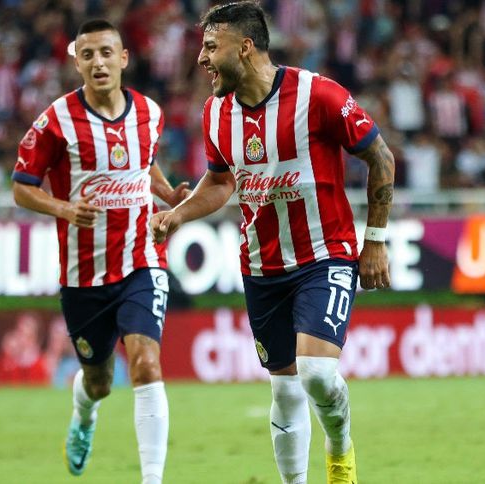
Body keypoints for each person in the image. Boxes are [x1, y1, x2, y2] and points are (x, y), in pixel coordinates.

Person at [151, 3, 395, 483]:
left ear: (245, 47)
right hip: (262, 267)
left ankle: (340, 450)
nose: (201, 58)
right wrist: (178, 214)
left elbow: (381, 157)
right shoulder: (215, 113)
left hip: (324, 256)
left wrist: (375, 241)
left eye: (211, 47)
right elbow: (220, 181)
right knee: (284, 390)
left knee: (317, 374)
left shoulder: (318, 95)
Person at [11, 18, 189, 483]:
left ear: (123, 58)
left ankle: (152, 479)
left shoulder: (149, 112)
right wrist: (65, 209)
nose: (98, 63)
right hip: (84, 275)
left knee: (146, 363)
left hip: (142, 260)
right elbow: (22, 187)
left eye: (107, 53)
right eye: (88, 55)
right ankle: (84, 417)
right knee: (99, 382)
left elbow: (145, 162)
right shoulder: (56, 121)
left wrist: (166, 193)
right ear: (77, 63)